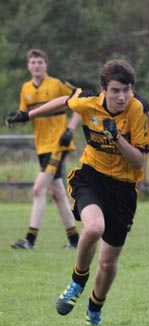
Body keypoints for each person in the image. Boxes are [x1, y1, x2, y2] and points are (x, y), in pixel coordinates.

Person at [6, 60, 149, 326]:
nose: (122, 96)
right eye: (115, 90)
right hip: (92, 177)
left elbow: (138, 161)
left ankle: (95, 306)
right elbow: (66, 100)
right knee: (93, 228)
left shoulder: (139, 110)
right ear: (103, 90)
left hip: (123, 187)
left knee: (108, 263)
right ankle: (77, 282)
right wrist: (26, 115)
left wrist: (118, 138)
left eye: (127, 90)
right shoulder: (89, 103)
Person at [4, 49, 80, 250]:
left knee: (39, 189)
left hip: (58, 145)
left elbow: (82, 102)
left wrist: (70, 130)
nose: (37, 65)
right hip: (41, 146)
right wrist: (13, 118)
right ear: (28, 66)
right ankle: (75, 241)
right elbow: (24, 113)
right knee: (57, 193)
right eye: (33, 62)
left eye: (40, 62)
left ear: (46, 65)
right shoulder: (25, 88)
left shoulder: (57, 85)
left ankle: (30, 240)